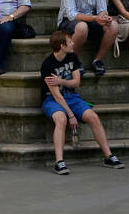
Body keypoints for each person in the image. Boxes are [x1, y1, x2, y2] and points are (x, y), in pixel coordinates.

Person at [41, 30, 124, 175]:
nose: (73, 43)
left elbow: (76, 83)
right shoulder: (47, 65)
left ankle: (109, 156)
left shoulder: (72, 57)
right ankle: (59, 162)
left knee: (93, 117)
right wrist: (71, 115)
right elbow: (56, 95)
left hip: (72, 97)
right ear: (62, 45)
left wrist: (61, 81)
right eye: (70, 41)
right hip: (52, 99)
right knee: (61, 119)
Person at [57, 0, 117, 76]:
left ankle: (97, 60)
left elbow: (102, 9)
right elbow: (71, 14)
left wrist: (104, 17)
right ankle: (73, 61)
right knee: (82, 27)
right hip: (68, 21)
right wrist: (95, 18)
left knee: (113, 26)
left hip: (91, 20)